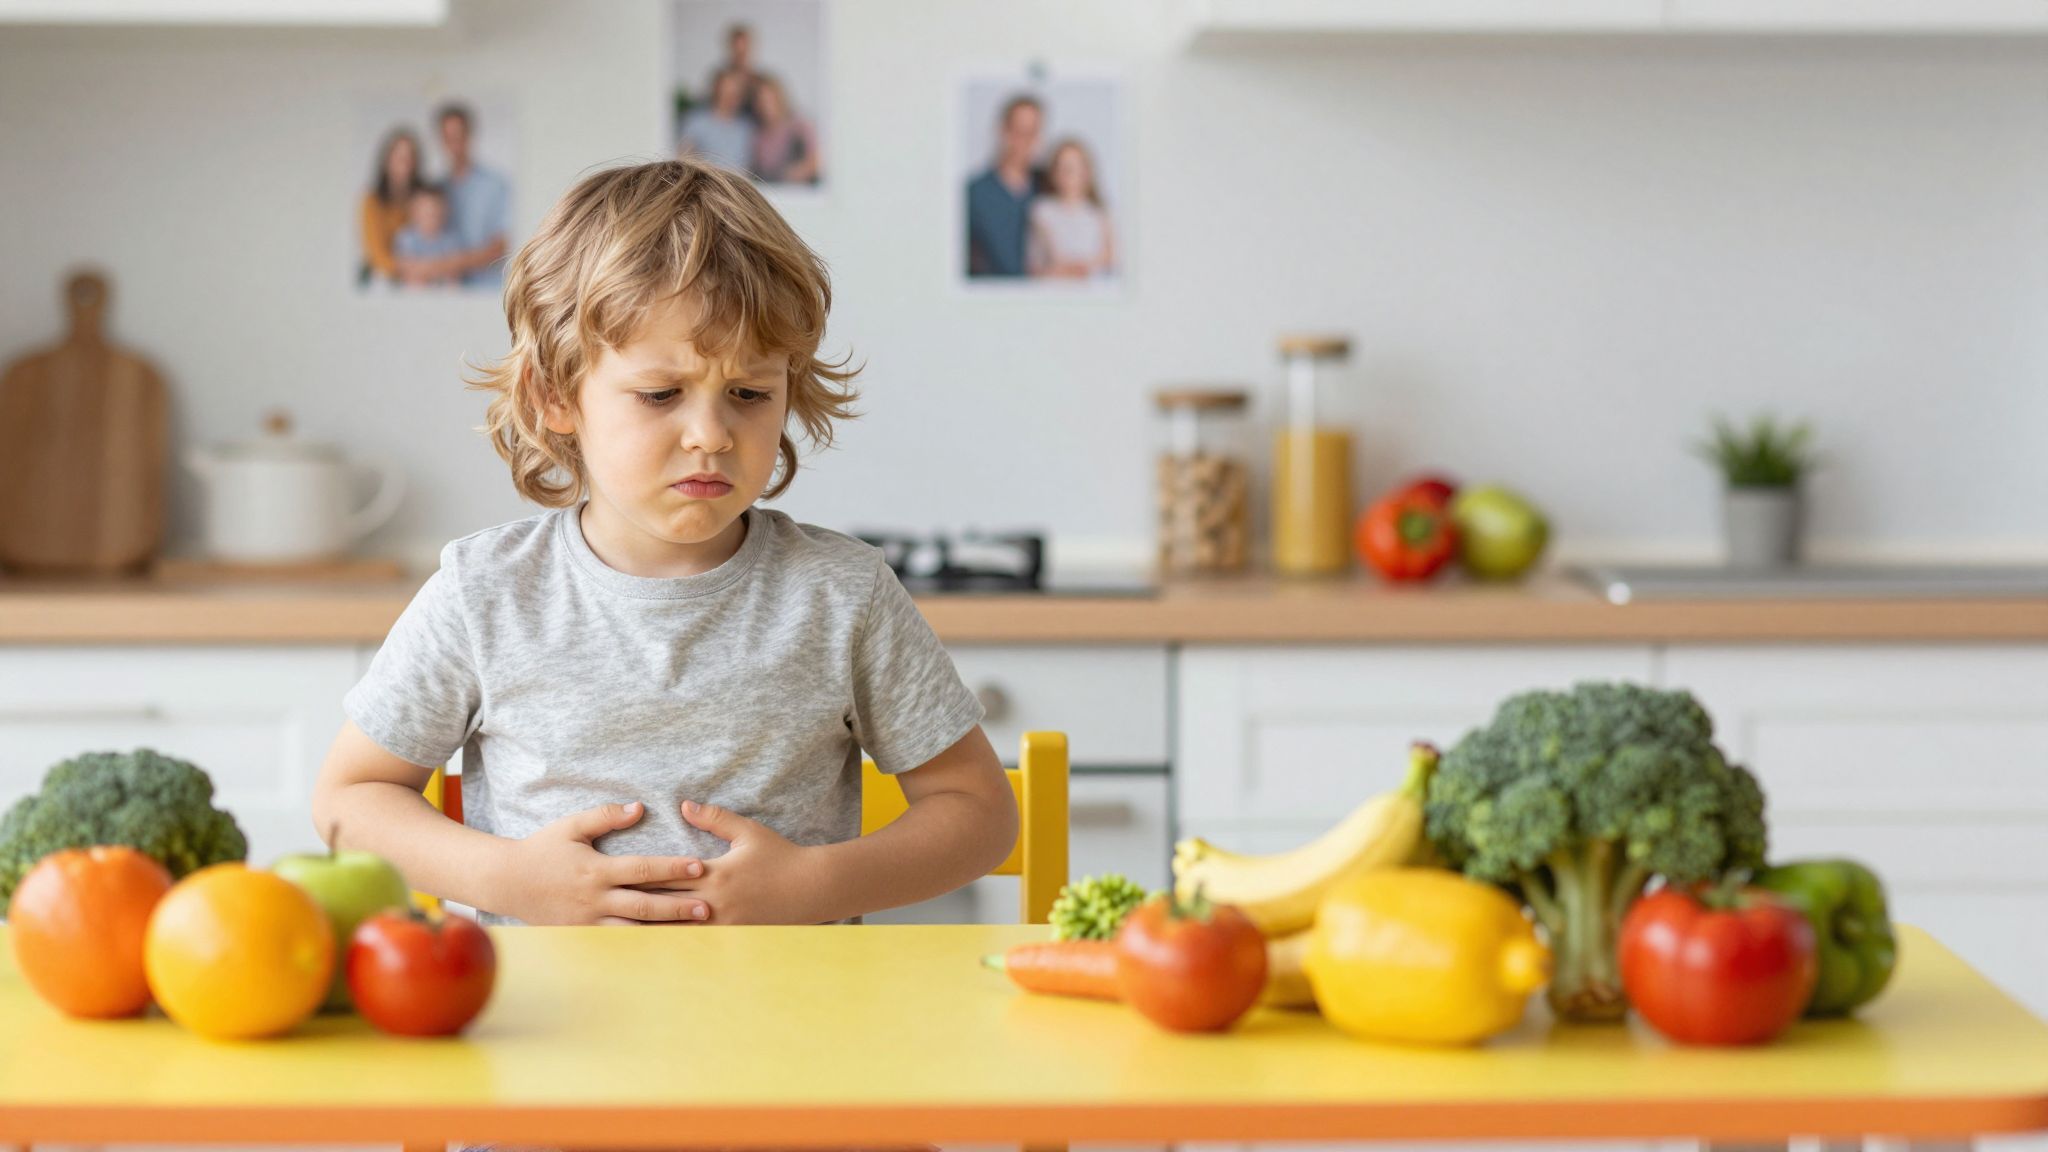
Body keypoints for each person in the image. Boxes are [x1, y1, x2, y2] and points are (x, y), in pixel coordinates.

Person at [311, 158, 1017, 929]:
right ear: (556, 396)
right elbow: (349, 800)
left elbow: (977, 813)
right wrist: (507, 878)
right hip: (547, 1035)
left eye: (750, 394)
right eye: (660, 395)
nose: (712, 435)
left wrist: (815, 885)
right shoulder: (484, 592)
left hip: (790, 1032)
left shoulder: (843, 594)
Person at [434, 101, 512, 289]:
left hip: (486, 290)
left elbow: (500, 248)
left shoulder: (495, 184)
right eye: (448, 137)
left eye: (458, 136)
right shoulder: (435, 189)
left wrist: (446, 264)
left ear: (469, 135)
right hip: (444, 291)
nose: (454, 145)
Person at [964, 94, 1042, 278]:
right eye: (1018, 131)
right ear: (1002, 131)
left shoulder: (1048, 187)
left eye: (1032, 133)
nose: (1024, 142)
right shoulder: (973, 193)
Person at [1027, 138, 1114, 280]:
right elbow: (1037, 263)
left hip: (1093, 291)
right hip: (1055, 289)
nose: (1068, 175)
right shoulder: (1042, 211)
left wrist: (1086, 266)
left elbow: (1111, 257)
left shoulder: (1099, 213)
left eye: (1074, 168)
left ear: (1087, 172)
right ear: (1053, 174)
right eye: (1062, 168)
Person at [359, 127, 422, 287]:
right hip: (385, 276)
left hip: (421, 278)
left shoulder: (425, 198)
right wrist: (413, 269)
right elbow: (376, 254)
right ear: (387, 160)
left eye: (410, 156)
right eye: (400, 156)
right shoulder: (372, 201)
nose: (405, 162)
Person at [678, 68, 756, 173]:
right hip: (707, 184)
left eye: (735, 92)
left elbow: (751, 165)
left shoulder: (747, 126)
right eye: (726, 91)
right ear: (716, 90)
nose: (730, 97)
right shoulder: (696, 121)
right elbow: (683, 158)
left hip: (738, 185)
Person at [751, 74, 819, 186]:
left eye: (769, 99)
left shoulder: (800, 125)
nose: (765, 105)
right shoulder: (757, 134)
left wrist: (794, 174)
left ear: (779, 98)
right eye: (761, 101)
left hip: (801, 193)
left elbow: (814, 163)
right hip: (771, 192)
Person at [392, 185, 464, 288]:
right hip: (415, 290)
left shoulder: (450, 239)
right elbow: (406, 267)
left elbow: (455, 269)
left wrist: (424, 268)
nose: (431, 218)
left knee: (454, 285)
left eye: (435, 214)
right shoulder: (406, 237)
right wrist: (440, 267)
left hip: (443, 289)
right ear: (414, 213)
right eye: (427, 214)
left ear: (445, 213)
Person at [704, 21, 762, 123]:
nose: (741, 55)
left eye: (744, 50)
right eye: (737, 50)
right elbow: (709, 109)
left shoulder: (759, 81)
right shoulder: (719, 80)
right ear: (730, 48)